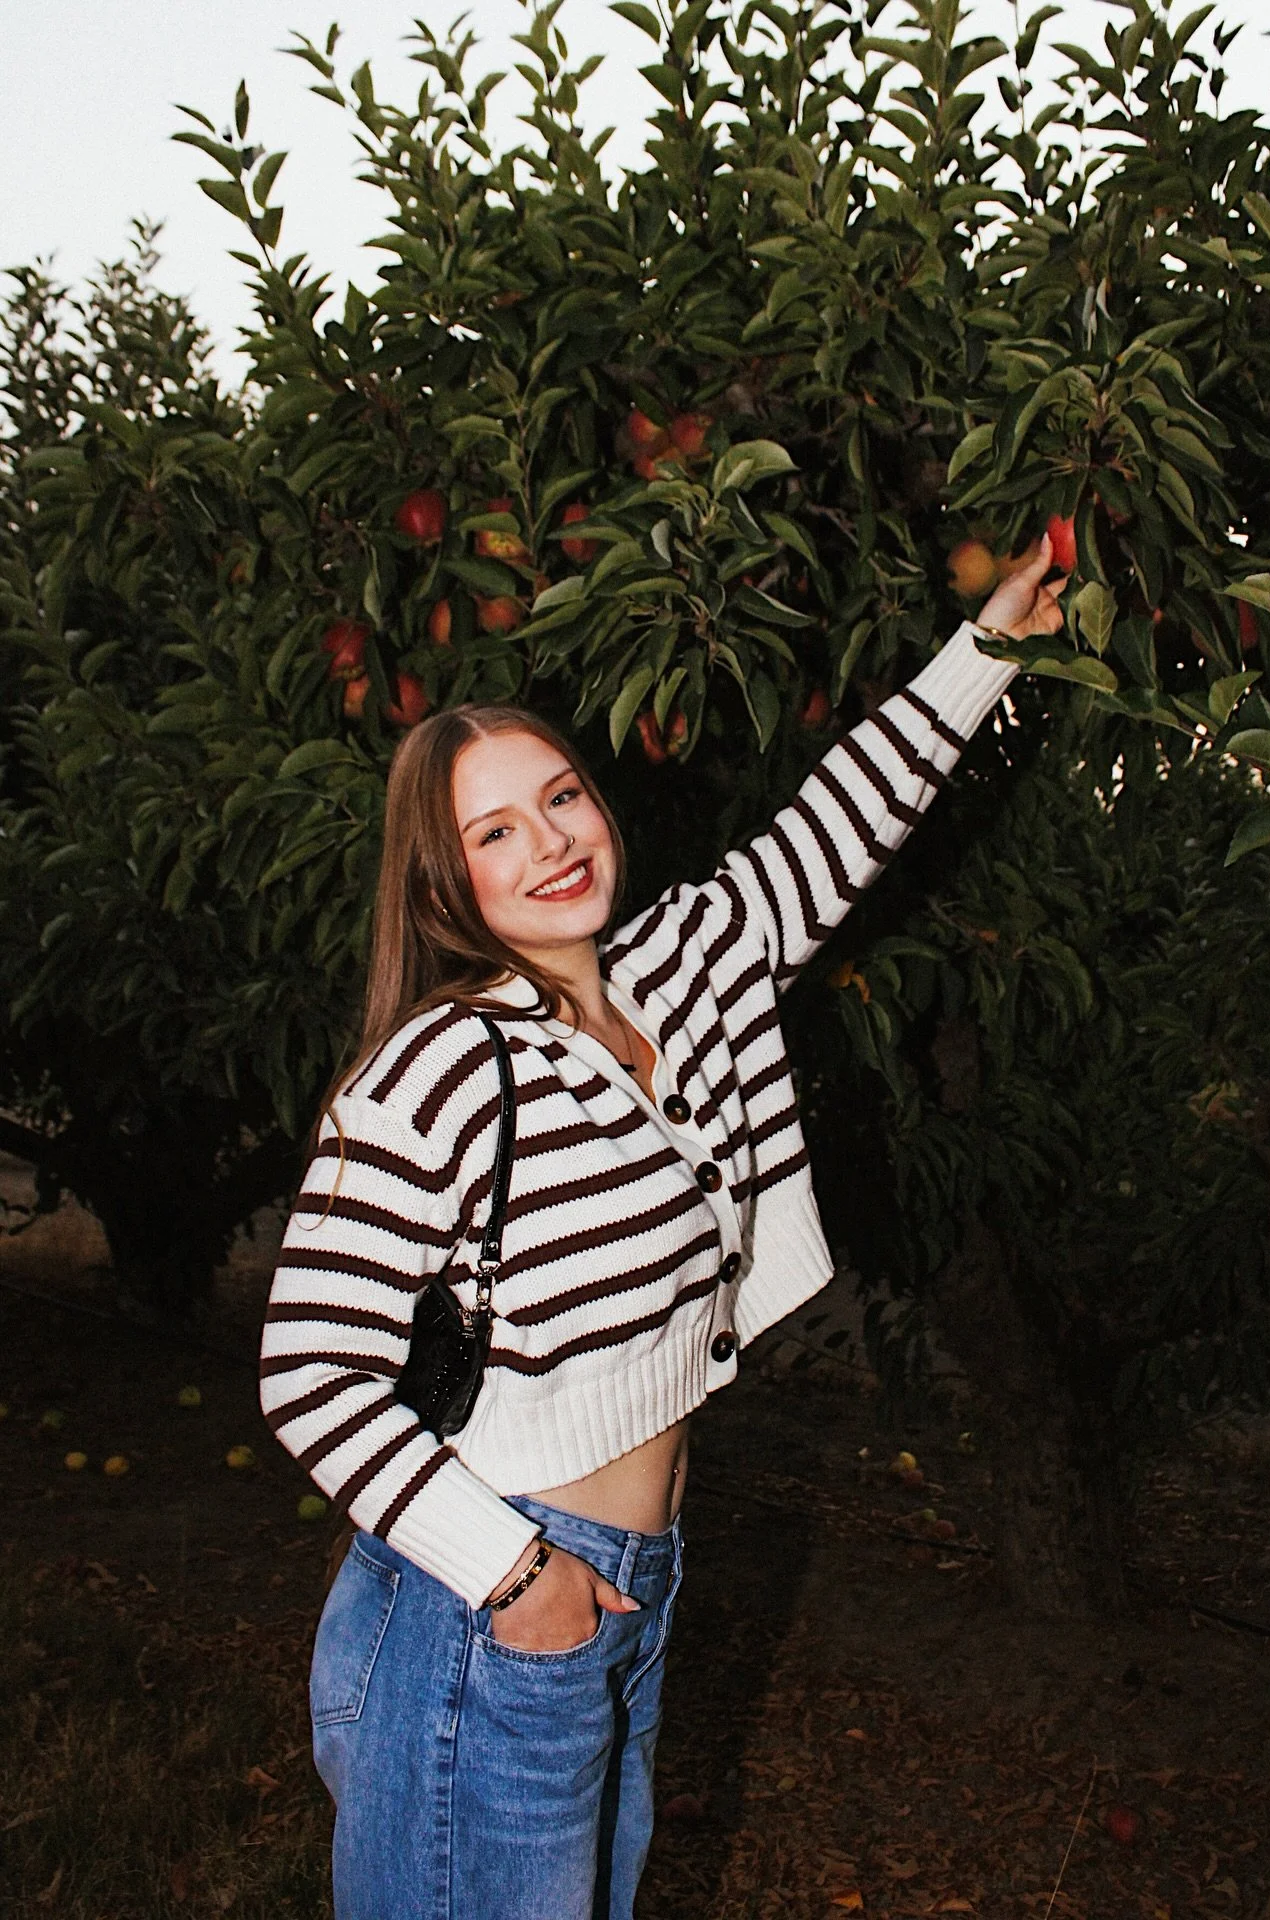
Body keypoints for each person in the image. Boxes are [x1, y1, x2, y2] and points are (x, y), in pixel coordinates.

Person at [259, 537, 1067, 1919]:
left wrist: (988, 645)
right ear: (442, 881)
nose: (552, 841)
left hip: (631, 1583)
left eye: (560, 797)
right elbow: (307, 1377)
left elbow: (845, 816)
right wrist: (519, 1582)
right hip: (490, 1604)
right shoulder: (437, 1068)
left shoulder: (687, 964)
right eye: (494, 831)